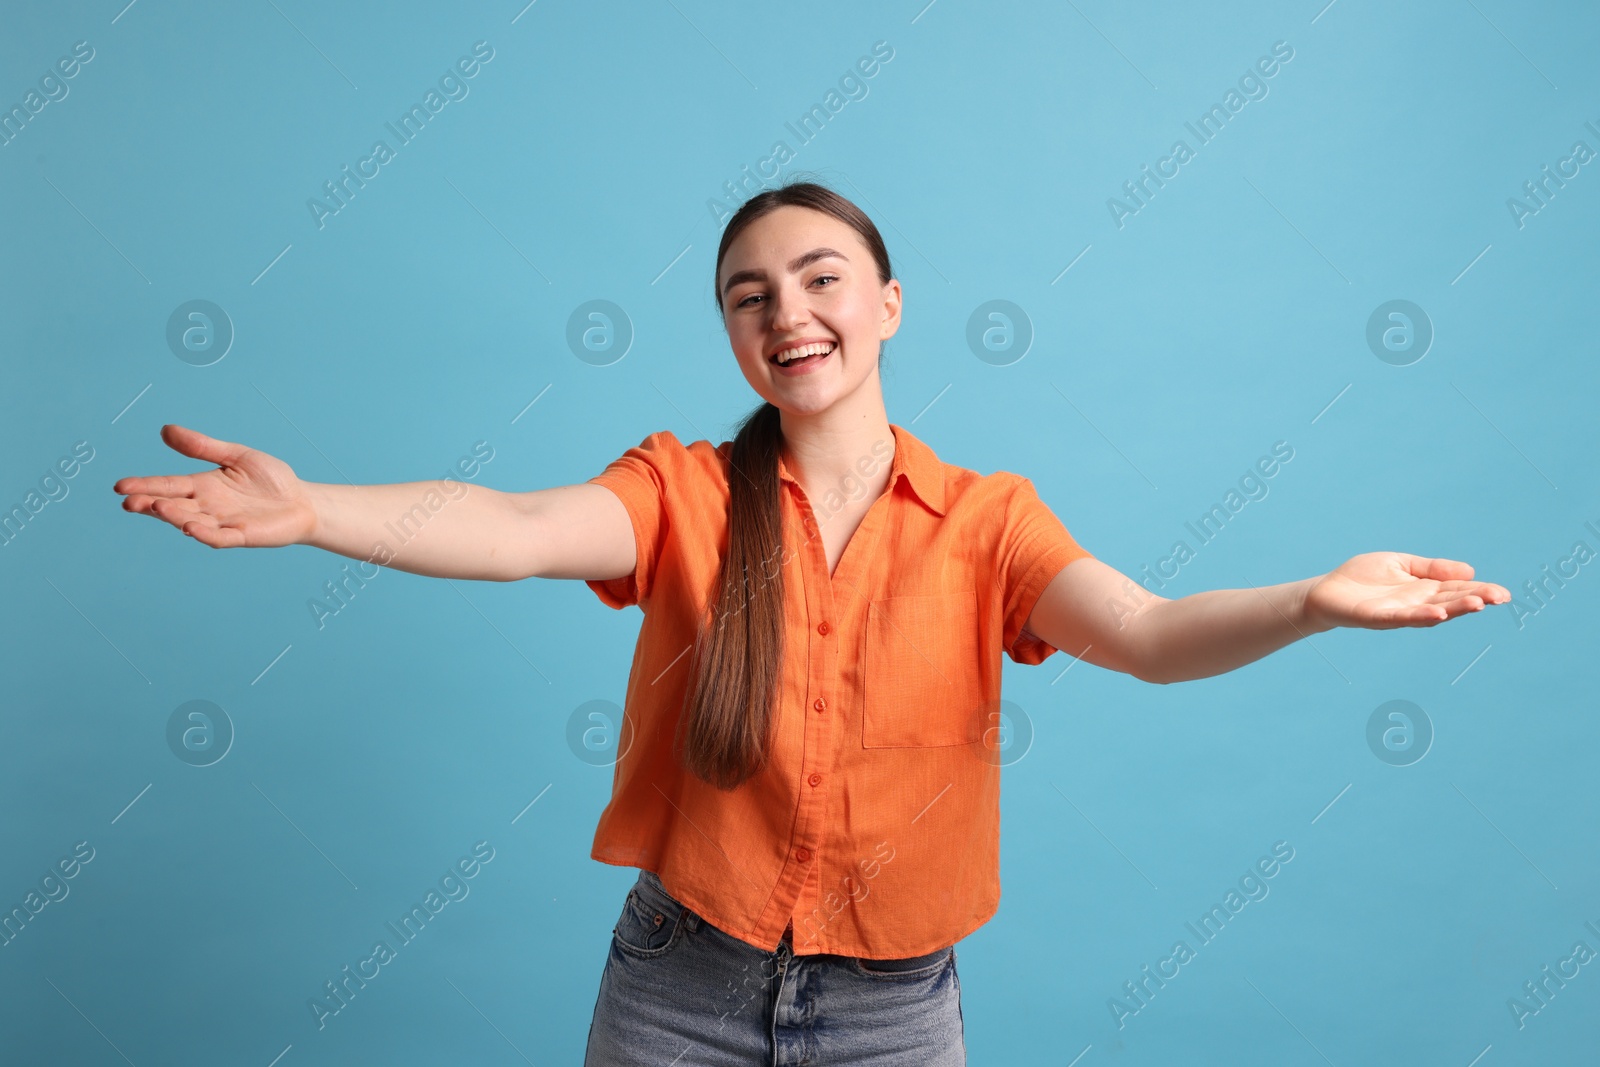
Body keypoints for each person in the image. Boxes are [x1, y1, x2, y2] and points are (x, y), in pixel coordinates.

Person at [114, 178, 1510, 1065]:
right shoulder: (684, 493)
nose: (789, 309)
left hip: (898, 1013)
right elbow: (517, 528)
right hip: (678, 986)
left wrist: (1314, 604)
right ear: (736, 339)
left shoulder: (989, 521)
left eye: (823, 276)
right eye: (750, 294)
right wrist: (315, 510)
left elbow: (1145, 634)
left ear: (889, 305)